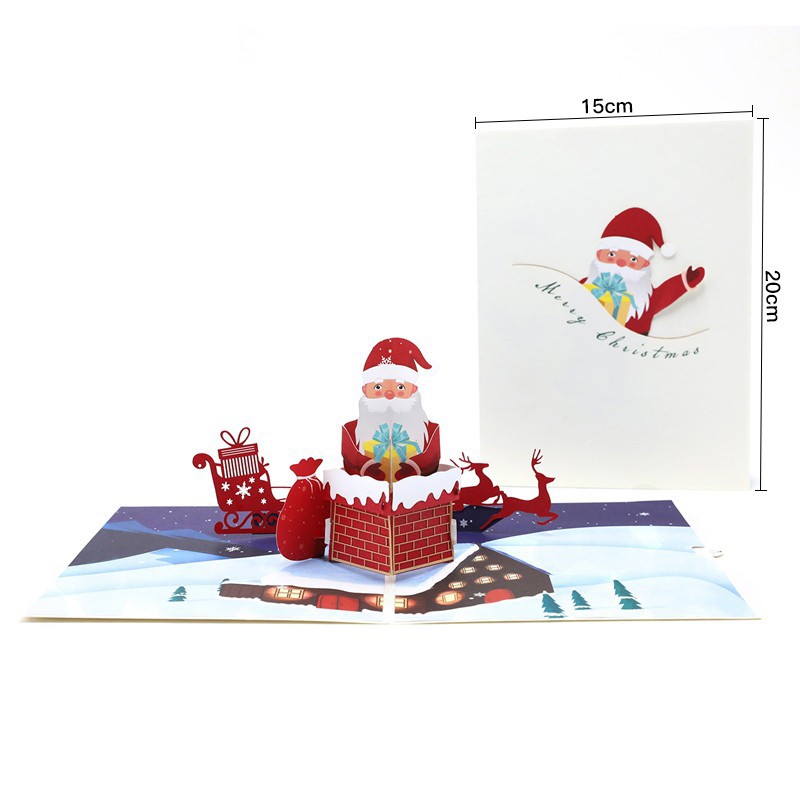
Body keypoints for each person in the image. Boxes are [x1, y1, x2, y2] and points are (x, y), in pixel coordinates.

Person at [581, 207, 705, 335]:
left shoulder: (644, 299)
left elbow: (663, 295)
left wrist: (684, 281)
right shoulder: (584, 287)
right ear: (600, 254)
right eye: (612, 254)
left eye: (633, 259)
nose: (621, 263)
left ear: (645, 264)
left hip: (630, 344)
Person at [341, 337, 441, 481]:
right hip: (367, 491)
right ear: (365, 390)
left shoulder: (431, 431)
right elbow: (350, 462)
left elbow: (430, 462)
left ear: (413, 389)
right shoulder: (350, 431)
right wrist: (370, 467)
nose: (389, 394)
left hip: (416, 491)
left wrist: (411, 467)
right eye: (378, 387)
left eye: (400, 387)